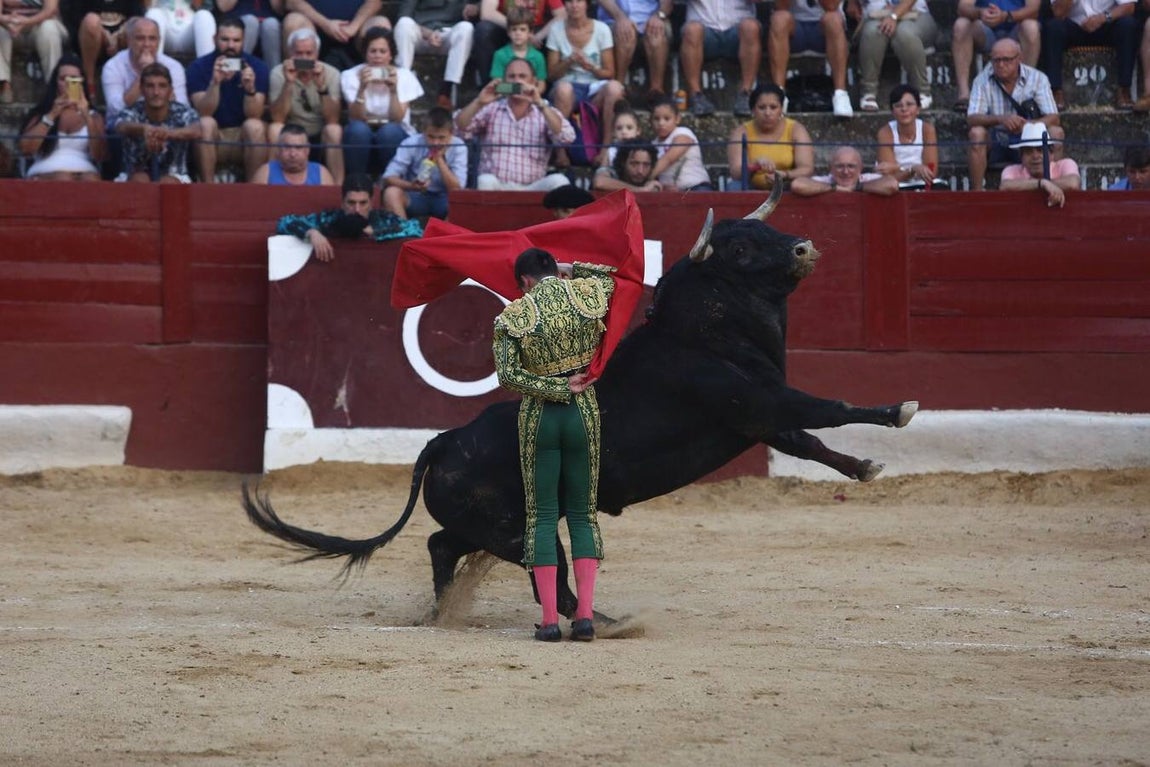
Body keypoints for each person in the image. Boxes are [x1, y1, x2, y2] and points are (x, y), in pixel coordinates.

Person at [492, 247, 616, 642]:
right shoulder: (588, 294)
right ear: (553, 271)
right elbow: (614, 275)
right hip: (584, 411)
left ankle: (549, 621)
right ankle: (583, 618)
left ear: (525, 281)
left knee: (542, 514)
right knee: (583, 514)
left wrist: (553, 387)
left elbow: (508, 376)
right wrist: (571, 268)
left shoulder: (513, 315)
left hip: (541, 416)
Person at [455, 56, 576, 191]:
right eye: (511, 77)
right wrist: (479, 102)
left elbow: (566, 138)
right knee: (485, 180)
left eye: (522, 76)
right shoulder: (490, 108)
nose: (517, 81)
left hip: (533, 186)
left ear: (534, 82)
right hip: (497, 185)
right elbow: (458, 129)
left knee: (559, 181)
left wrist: (540, 104)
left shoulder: (544, 110)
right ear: (504, 82)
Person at [967, 37, 1060, 191]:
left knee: (1056, 132)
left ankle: (1055, 186)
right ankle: (977, 192)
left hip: (1030, 143)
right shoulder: (982, 80)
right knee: (976, 134)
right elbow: (972, 118)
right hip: (997, 139)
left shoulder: (1037, 78)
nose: (1001, 65)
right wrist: (1001, 119)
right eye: (996, 61)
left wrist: (1028, 126)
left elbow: (1054, 117)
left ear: (1019, 59)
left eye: (1006, 60)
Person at [187, 17, 269, 182]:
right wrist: (215, 83)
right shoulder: (198, 67)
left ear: (244, 40)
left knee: (255, 126)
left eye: (236, 40)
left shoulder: (257, 66)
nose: (231, 45)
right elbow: (203, 111)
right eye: (225, 39)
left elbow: (255, 114)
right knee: (205, 123)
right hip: (214, 136)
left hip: (242, 135)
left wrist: (250, 90)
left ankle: (254, 191)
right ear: (214, 39)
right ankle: (207, 188)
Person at [275, 172, 423, 261]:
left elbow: (415, 228)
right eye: (351, 203)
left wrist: (377, 232)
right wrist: (312, 233)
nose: (357, 209)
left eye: (363, 203)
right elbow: (285, 221)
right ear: (342, 203)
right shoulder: (329, 219)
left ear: (371, 203)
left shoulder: (383, 220)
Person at [546, 0, 624, 165]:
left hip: (593, 86)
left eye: (579, 1)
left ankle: (605, 150)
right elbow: (551, 74)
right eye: (570, 2)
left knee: (615, 88)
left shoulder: (601, 29)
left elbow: (609, 72)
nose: (574, 5)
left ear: (587, 4)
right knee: (564, 89)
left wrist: (591, 67)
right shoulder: (556, 29)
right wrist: (568, 61)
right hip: (566, 86)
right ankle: (560, 152)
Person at [339, 27, 422, 178]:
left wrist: (393, 90)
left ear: (391, 55)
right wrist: (361, 88)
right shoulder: (350, 75)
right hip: (363, 130)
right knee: (358, 129)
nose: (377, 56)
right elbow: (356, 117)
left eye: (383, 51)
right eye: (373, 51)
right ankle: (357, 182)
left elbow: (397, 118)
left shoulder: (404, 76)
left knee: (389, 131)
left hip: (395, 132)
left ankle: (391, 181)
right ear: (365, 54)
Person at [268, 27, 343, 183]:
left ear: (317, 54)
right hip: (291, 133)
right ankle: (274, 183)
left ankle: (338, 188)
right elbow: (277, 116)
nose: (304, 58)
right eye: (299, 53)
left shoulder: (331, 73)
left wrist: (322, 88)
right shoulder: (278, 72)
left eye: (309, 53)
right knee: (275, 128)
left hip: (319, 132)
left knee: (334, 130)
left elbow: (333, 119)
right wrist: (288, 83)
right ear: (290, 53)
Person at [19, 54, 106, 180]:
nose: (67, 84)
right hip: (46, 171)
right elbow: (26, 149)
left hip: (84, 171)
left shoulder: (94, 116)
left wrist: (86, 115)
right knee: (63, 177)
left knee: (90, 180)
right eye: (63, 79)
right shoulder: (42, 112)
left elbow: (100, 155)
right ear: (56, 82)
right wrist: (52, 114)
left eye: (73, 79)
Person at [1042, 0, 1138, 110]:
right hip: (1075, 25)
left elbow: (1129, 7)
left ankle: (1124, 89)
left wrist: (1103, 18)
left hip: (1106, 23)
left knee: (1128, 25)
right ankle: (1055, 91)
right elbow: (1057, 12)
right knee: (1053, 27)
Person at [114, 62, 201, 182]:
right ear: (141, 89)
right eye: (150, 86)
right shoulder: (132, 111)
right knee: (140, 179)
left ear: (170, 90)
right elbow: (121, 126)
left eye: (162, 86)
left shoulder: (182, 111)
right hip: (133, 174)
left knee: (168, 182)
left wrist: (168, 133)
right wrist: (144, 129)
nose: (156, 92)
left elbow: (197, 130)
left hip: (176, 175)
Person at [951, 0, 1041, 112]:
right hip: (984, 28)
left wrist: (1007, 16)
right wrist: (980, 12)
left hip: (1016, 27)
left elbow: (1033, 9)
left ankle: (1025, 92)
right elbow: (963, 7)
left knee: (1031, 27)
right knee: (961, 25)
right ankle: (964, 94)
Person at [768, 0, 853, 117]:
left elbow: (831, 6)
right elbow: (780, 6)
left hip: (824, 29)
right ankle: (778, 94)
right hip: (793, 29)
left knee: (833, 19)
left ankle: (840, 93)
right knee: (779, 18)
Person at [381, 106, 468, 221]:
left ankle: (445, 237)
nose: (436, 143)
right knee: (391, 193)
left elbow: (457, 189)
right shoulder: (411, 143)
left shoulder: (459, 146)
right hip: (416, 196)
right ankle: (405, 234)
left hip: (444, 199)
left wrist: (440, 159)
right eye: (431, 137)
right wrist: (411, 186)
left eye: (441, 138)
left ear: (451, 134)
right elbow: (388, 177)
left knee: (464, 201)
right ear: (424, 131)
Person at [102, 16, 189, 127]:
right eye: (140, 38)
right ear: (129, 40)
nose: (146, 44)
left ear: (159, 41)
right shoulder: (113, 66)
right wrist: (145, 72)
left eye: (152, 39)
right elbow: (115, 109)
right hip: (126, 127)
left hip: (164, 125)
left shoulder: (174, 67)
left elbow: (182, 107)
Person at [678, 0, 761, 116]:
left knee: (751, 27)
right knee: (692, 30)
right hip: (704, 30)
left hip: (737, 30)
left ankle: (746, 94)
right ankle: (696, 95)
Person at [726, 82, 814, 191]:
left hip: (786, 186)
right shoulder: (741, 132)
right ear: (753, 110)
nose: (767, 113)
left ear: (781, 109)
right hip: (751, 187)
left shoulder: (796, 129)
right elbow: (736, 173)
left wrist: (784, 175)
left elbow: (807, 169)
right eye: (762, 107)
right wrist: (755, 166)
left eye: (773, 107)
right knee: (734, 187)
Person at [855, 0, 938, 112]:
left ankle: (922, 91)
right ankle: (868, 92)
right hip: (877, 15)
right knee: (872, 32)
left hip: (916, 14)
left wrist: (894, 16)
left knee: (904, 34)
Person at [393, 0, 475, 110]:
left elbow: (482, 5)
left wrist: (476, 8)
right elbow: (403, 15)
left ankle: (446, 90)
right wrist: (427, 33)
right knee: (404, 23)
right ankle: (402, 81)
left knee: (466, 28)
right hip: (420, 33)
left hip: (448, 34)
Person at [473, 0, 565, 87]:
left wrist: (537, 36)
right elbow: (487, 13)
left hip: (536, 31)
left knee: (555, 30)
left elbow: (562, 14)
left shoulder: (538, 57)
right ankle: (487, 88)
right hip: (504, 25)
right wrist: (516, 27)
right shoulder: (500, 55)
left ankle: (550, 89)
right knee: (484, 29)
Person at [281, 0, 389, 70]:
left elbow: (375, 2)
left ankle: (376, 85)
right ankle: (302, 85)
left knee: (380, 23)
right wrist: (325, 24)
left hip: (355, 32)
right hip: (315, 31)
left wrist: (353, 27)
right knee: (294, 21)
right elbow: (292, 2)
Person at [596, 0, 671, 100]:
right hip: (614, 17)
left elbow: (667, 4)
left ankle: (656, 91)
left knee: (657, 34)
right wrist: (620, 17)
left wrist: (659, 16)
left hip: (649, 19)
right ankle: (618, 88)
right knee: (625, 32)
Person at [0, 0, 68, 104]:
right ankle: (4, 84)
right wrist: (8, 20)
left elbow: (50, 10)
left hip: (39, 24)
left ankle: (53, 86)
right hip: (11, 27)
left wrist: (25, 22)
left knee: (49, 28)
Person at [73, 0, 145, 97]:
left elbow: (138, 16)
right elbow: (75, 17)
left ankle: (135, 82)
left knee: (136, 25)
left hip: (122, 41)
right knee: (91, 21)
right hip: (92, 40)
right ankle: (89, 83)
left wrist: (118, 35)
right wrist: (105, 35)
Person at [874, 84, 940, 188]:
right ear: (892, 111)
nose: (904, 109)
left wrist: (897, 167)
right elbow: (889, 177)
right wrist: (912, 169)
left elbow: (931, 171)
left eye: (909, 104)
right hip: (894, 186)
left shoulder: (927, 130)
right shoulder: (885, 133)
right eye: (898, 106)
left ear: (918, 109)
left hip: (921, 183)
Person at [998, 121, 1077, 206]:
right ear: (1021, 157)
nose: (1035, 156)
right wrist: (1042, 183)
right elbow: (1005, 186)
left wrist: (1043, 184)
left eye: (1040, 150)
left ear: (1051, 154)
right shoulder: (1012, 170)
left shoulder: (1065, 164)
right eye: (1028, 152)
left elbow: (1073, 183)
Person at [649, 95, 711, 191]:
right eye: (656, 119)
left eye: (666, 118)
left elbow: (669, 158)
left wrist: (645, 179)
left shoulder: (683, 133)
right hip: (669, 192)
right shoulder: (653, 144)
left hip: (696, 187)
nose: (661, 123)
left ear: (677, 119)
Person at [790, 145, 900, 196]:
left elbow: (892, 185)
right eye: (839, 166)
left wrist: (857, 187)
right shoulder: (826, 180)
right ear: (831, 168)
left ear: (860, 168)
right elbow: (797, 185)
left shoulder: (868, 179)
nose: (846, 172)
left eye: (851, 166)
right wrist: (834, 187)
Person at [250, 121, 335, 183]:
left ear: (307, 149)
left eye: (298, 147)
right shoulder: (265, 173)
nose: (292, 154)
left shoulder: (322, 174)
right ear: (278, 149)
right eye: (287, 147)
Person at [215, 0, 283, 67]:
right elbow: (223, 7)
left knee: (271, 24)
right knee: (251, 22)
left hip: (269, 19)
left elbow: (281, 10)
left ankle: (274, 74)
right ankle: (233, 68)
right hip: (238, 19)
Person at [145, 0, 216, 60]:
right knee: (153, 13)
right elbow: (147, 5)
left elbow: (197, 5)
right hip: (164, 29)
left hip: (188, 29)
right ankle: (150, 68)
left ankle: (208, 69)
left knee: (204, 15)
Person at [491, 7, 547, 79]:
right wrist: (517, 88)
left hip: (530, 89)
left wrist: (533, 89)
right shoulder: (500, 55)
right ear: (508, 32)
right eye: (514, 29)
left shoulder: (538, 57)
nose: (518, 33)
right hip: (506, 90)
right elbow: (497, 83)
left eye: (522, 29)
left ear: (530, 32)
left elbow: (541, 83)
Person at [593, 136, 661, 191]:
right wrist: (639, 190)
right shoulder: (612, 173)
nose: (640, 171)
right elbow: (599, 182)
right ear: (623, 162)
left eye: (646, 165)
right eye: (634, 164)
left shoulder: (650, 180)